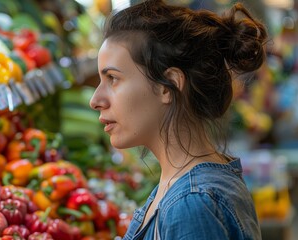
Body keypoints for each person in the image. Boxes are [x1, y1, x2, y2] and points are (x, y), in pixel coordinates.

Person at [89, 0, 267, 239]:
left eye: (112, 78)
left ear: (169, 85)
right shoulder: (185, 187)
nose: (95, 99)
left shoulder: (192, 204)